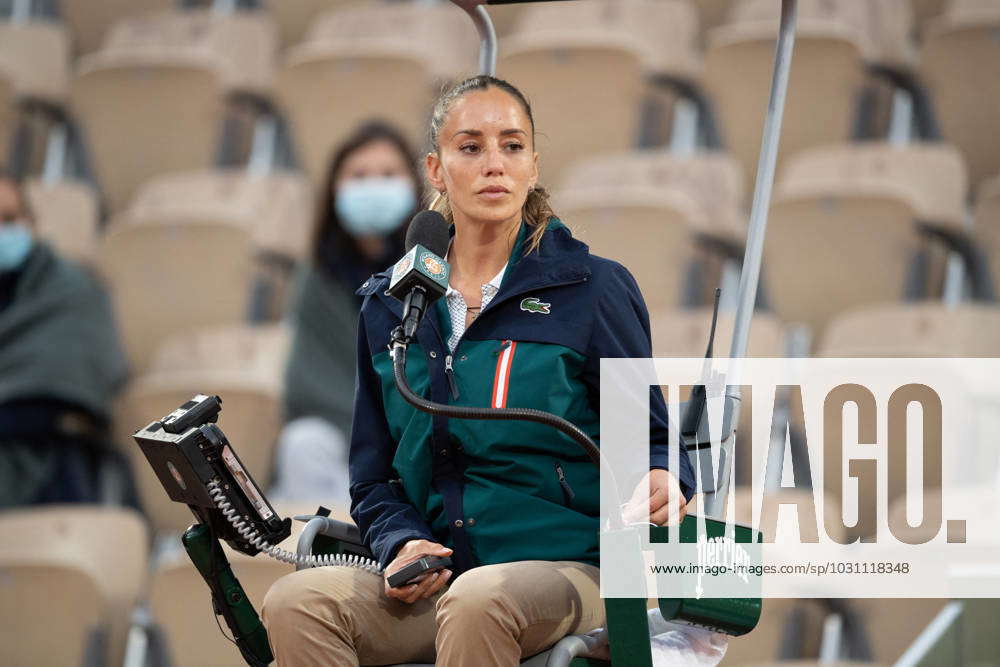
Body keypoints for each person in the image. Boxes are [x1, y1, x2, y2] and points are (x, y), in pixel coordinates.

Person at [263, 75, 697, 666]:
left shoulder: (593, 290)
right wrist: (399, 540)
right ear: (436, 170)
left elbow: (653, 441)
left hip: (570, 568)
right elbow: (372, 479)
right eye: (470, 147)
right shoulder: (388, 304)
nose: (494, 162)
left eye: (512, 146)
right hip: (443, 574)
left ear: (533, 165)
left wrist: (664, 476)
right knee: (296, 603)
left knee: (478, 600)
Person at [270, 121, 424, 503]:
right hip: (342, 446)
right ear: (335, 188)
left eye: (388, 174)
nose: (373, 186)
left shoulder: (434, 270)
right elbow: (306, 381)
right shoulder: (316, 278)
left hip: (418, 442)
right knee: (302, 443)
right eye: (359, 175)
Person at [0, 169, 129, 506]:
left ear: (30, 221)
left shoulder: (71, 291)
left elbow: (71, 385)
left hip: (47, 455)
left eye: (9, 219)